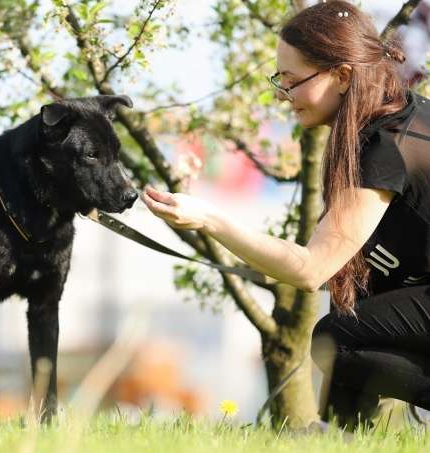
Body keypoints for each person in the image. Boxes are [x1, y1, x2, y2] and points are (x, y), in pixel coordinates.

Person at [141, 0, 430, 430]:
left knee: (338, 336)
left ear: (343, 76)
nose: (283, 95)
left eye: (293, 82)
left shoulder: (383, 148)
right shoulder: (401, 112)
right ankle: (341, 441)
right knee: (353, 307)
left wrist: (210, 220)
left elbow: (311, 268)